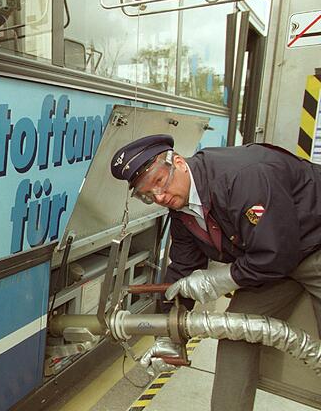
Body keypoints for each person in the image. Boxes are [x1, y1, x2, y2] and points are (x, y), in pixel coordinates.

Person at [109, 134, 321, 411]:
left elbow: (275, 252)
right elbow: (182, 270)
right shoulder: (181, 211)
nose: (159, 197)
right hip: (268, 264)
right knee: (236, 333)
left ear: (179, 163)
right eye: (149, 196)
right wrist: (167, 335)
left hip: (313, 245)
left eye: (159, 182)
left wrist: (219, 280)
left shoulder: (243, 177)